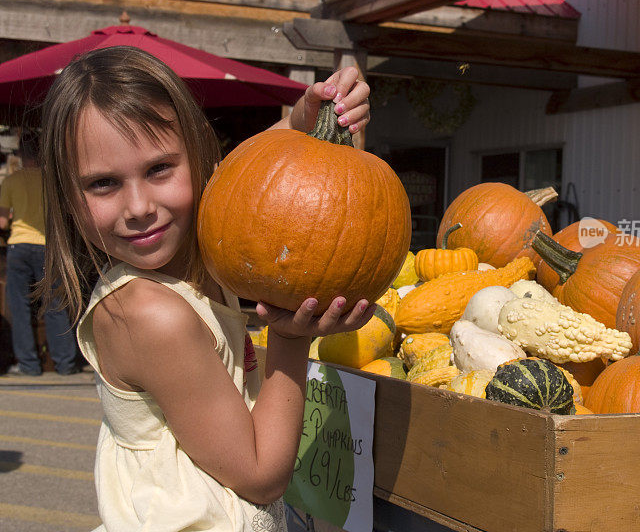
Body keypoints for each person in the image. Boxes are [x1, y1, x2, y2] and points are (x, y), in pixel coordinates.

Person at [38, 45, 373, 532]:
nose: (139, 207)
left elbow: (249, 174)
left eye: (158, 170)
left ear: (198, 155)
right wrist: (292, 340)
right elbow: (260, 476)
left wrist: (306, 120)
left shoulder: (196, 246)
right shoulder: (150, 315)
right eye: (104, 184)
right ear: (68, 198)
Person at [0, 131, 79, 376]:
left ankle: (28, 365)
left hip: (19, 246)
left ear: (21, 155)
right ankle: (65, 363)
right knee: (55, 305)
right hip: (47, 247)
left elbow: (2, 222)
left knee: (20, 307)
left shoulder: (11, 181)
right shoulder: (52, 180)